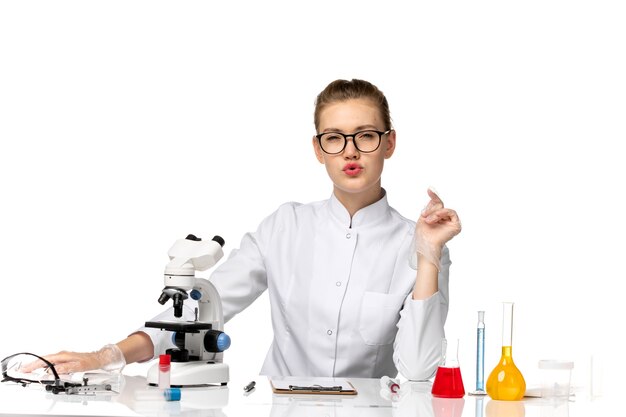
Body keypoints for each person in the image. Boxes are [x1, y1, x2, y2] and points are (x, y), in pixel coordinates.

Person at [22, 79, 461, 380]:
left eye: (365, 135)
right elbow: (200, 311)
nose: (350, 151)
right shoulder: (284, 228)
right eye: (334, 137)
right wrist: (106, 356)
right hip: (279, 407)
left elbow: (420, 370)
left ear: (389, 142)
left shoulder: (419, 242)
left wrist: (427, 255)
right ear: (317, 149)